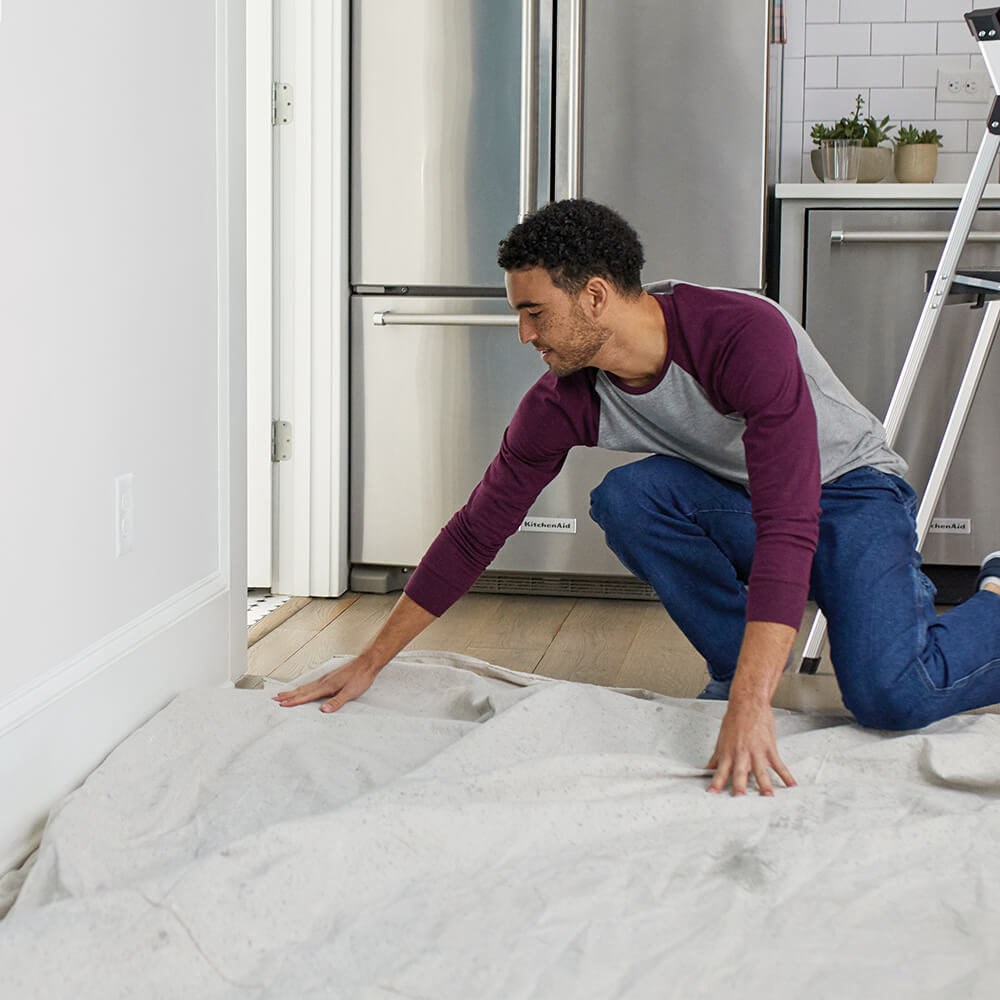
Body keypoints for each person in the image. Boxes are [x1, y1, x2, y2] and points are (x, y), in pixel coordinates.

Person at [274, 198, 1000, 797]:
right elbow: (475, 532)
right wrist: (370, 660)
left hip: (851, 494)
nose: (523, 334)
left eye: (535, 312)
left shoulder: (740, 334)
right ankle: (735, 660)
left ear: (594, 295)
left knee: (892, 697)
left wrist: (752, 710)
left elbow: (788, 520)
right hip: (747, 502)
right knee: (630, 497)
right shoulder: (563, 401)